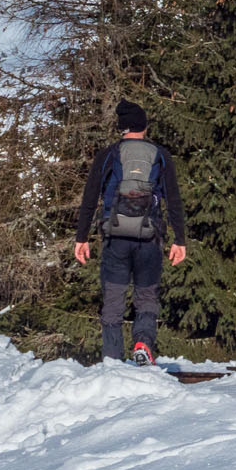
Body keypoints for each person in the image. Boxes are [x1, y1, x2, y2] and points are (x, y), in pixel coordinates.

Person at [73, 100, 187, 364]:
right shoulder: (160, 155)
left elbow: (90, 198)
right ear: (145, 126)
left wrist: (82, 238)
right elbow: (174, 200)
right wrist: (179, 240)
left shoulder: (108, 155)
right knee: (146, 295)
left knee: (114, 298)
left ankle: (112, 360)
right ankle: (142, 344)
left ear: (122, 128)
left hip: (115, 239)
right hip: (150, 238)